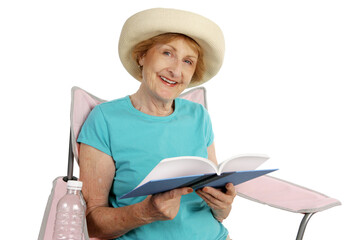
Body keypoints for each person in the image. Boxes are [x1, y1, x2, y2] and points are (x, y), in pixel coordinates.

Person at [78, 8, 236, 240]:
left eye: (188, 61)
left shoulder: (198, 116)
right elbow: (91, 224)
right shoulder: (104, 119)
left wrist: (222, 206)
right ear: (142, 56)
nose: (176, 70)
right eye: (167, 53)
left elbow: (217, 212)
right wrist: (144, 213)